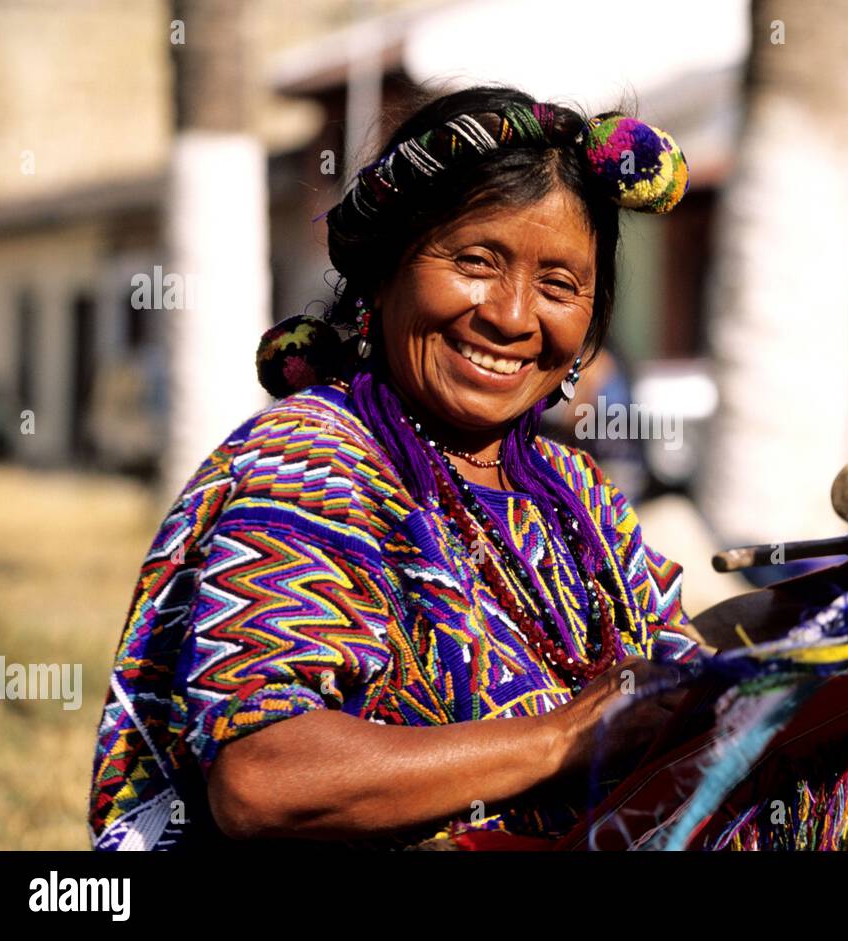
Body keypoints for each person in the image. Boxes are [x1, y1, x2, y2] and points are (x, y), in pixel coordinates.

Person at [88, 86, 716, 850]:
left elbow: (679, 677)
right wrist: (563, 737)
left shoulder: (576, 496)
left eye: (558, 285)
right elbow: (267, 778)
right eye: (476, 261)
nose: (513, 316)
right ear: (384, 273)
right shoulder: (315, 462)